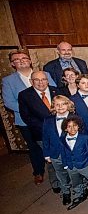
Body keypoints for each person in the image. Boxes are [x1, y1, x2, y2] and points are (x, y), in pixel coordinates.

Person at [2, 51, 56, 184]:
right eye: (17, 59)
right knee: (35, 147)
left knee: (54, 145)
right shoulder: (8, 80)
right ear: (12, 63)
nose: (21, 61)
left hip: (51, 117)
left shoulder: (45, 74)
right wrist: (32, 111)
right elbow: (9, 102)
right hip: (26, 121)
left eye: (24, 58)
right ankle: (38, 172)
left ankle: (57, 170)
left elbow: (55, 91)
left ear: (30, 61)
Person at [18, 71, 59, 188]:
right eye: (37, 80)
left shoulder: (56, 91)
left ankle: (68, 180)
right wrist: (48, 128)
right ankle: (56, 184)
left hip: (61, 132)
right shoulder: (25, 95)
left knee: (64, 157)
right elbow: (27, 117)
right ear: (31, 81)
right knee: (52, 159)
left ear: (47, 80)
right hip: (42, 133)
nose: (41, 82)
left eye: (43, 79)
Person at [61, 116, 88, 210]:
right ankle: (79, 195)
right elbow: (63, 152)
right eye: (69, 126)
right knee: (75, 182)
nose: (72, 128)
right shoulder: (63, 139)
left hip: (84, 164)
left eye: (75, 125)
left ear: (78, 126)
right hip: (71, 165)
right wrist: (65, 164)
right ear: (65, 128)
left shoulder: (84, 137)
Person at [42, 95, 75, 206]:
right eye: (57, 104)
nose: (60, 107)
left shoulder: (75, 118)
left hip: (71, 152)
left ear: (68, 105)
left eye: (63, 104)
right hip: (55, 153)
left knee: (74, 172)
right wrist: (47, 154)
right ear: (53, 106)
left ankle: (81, 190)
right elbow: (45, 138)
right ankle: (66, 192)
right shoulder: (48, 120)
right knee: (60, 173)